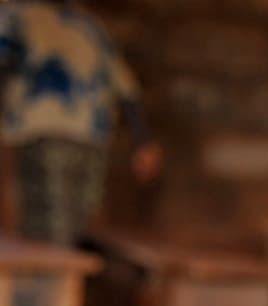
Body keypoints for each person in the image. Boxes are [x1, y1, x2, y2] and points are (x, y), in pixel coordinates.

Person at [0, 0, 161, 246]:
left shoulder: (16, 15)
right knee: (74, 225)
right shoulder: (89, 24)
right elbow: (126, 87)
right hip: (90, 132)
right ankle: (61, 279)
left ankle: (53, 281)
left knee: (48, 225)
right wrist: (144, 141)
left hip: (43, 128)